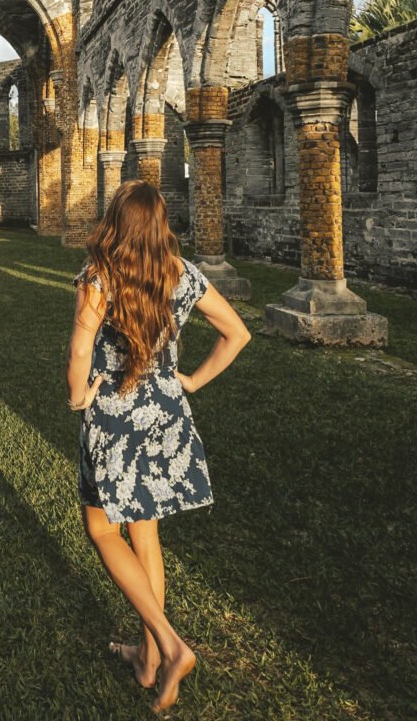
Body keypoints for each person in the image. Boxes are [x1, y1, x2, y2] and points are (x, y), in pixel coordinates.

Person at [65, 179, 251, 713]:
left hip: (115, 419)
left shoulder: (99, 277)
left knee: (101, 527)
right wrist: (190, 380)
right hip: (165, 418)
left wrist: (78, 397)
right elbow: (236, 333)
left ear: (117, 222)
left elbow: (81, 348)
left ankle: (170, 646)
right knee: (144, 533)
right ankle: (148, 661)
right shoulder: (181, 273)